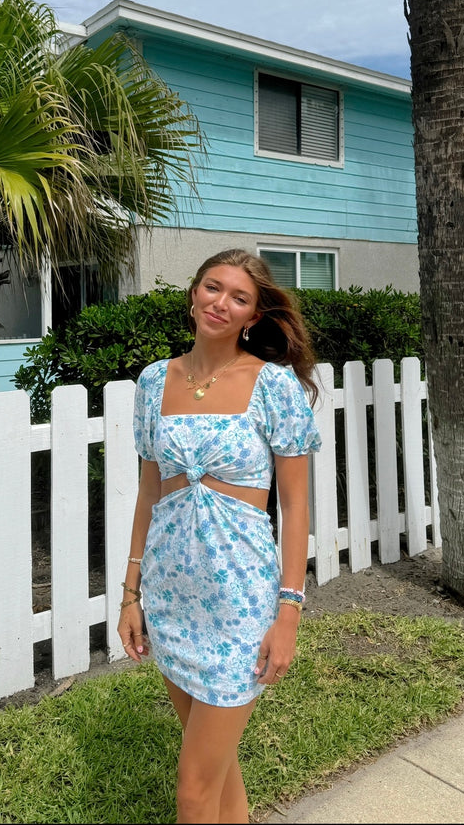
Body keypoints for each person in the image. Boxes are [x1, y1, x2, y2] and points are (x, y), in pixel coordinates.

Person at [117, 248, 322, 824]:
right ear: (193, 293)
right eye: (213, 287)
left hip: (240, 602)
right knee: (218, 776)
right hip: (170, 592)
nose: (222, 303)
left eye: (239, 298)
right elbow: (148, 495)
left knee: (192, 792)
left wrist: (288, 612)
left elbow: (297, 508)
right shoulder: (155, 381)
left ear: (254, 317)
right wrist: (132, 594)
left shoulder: (273, 387)